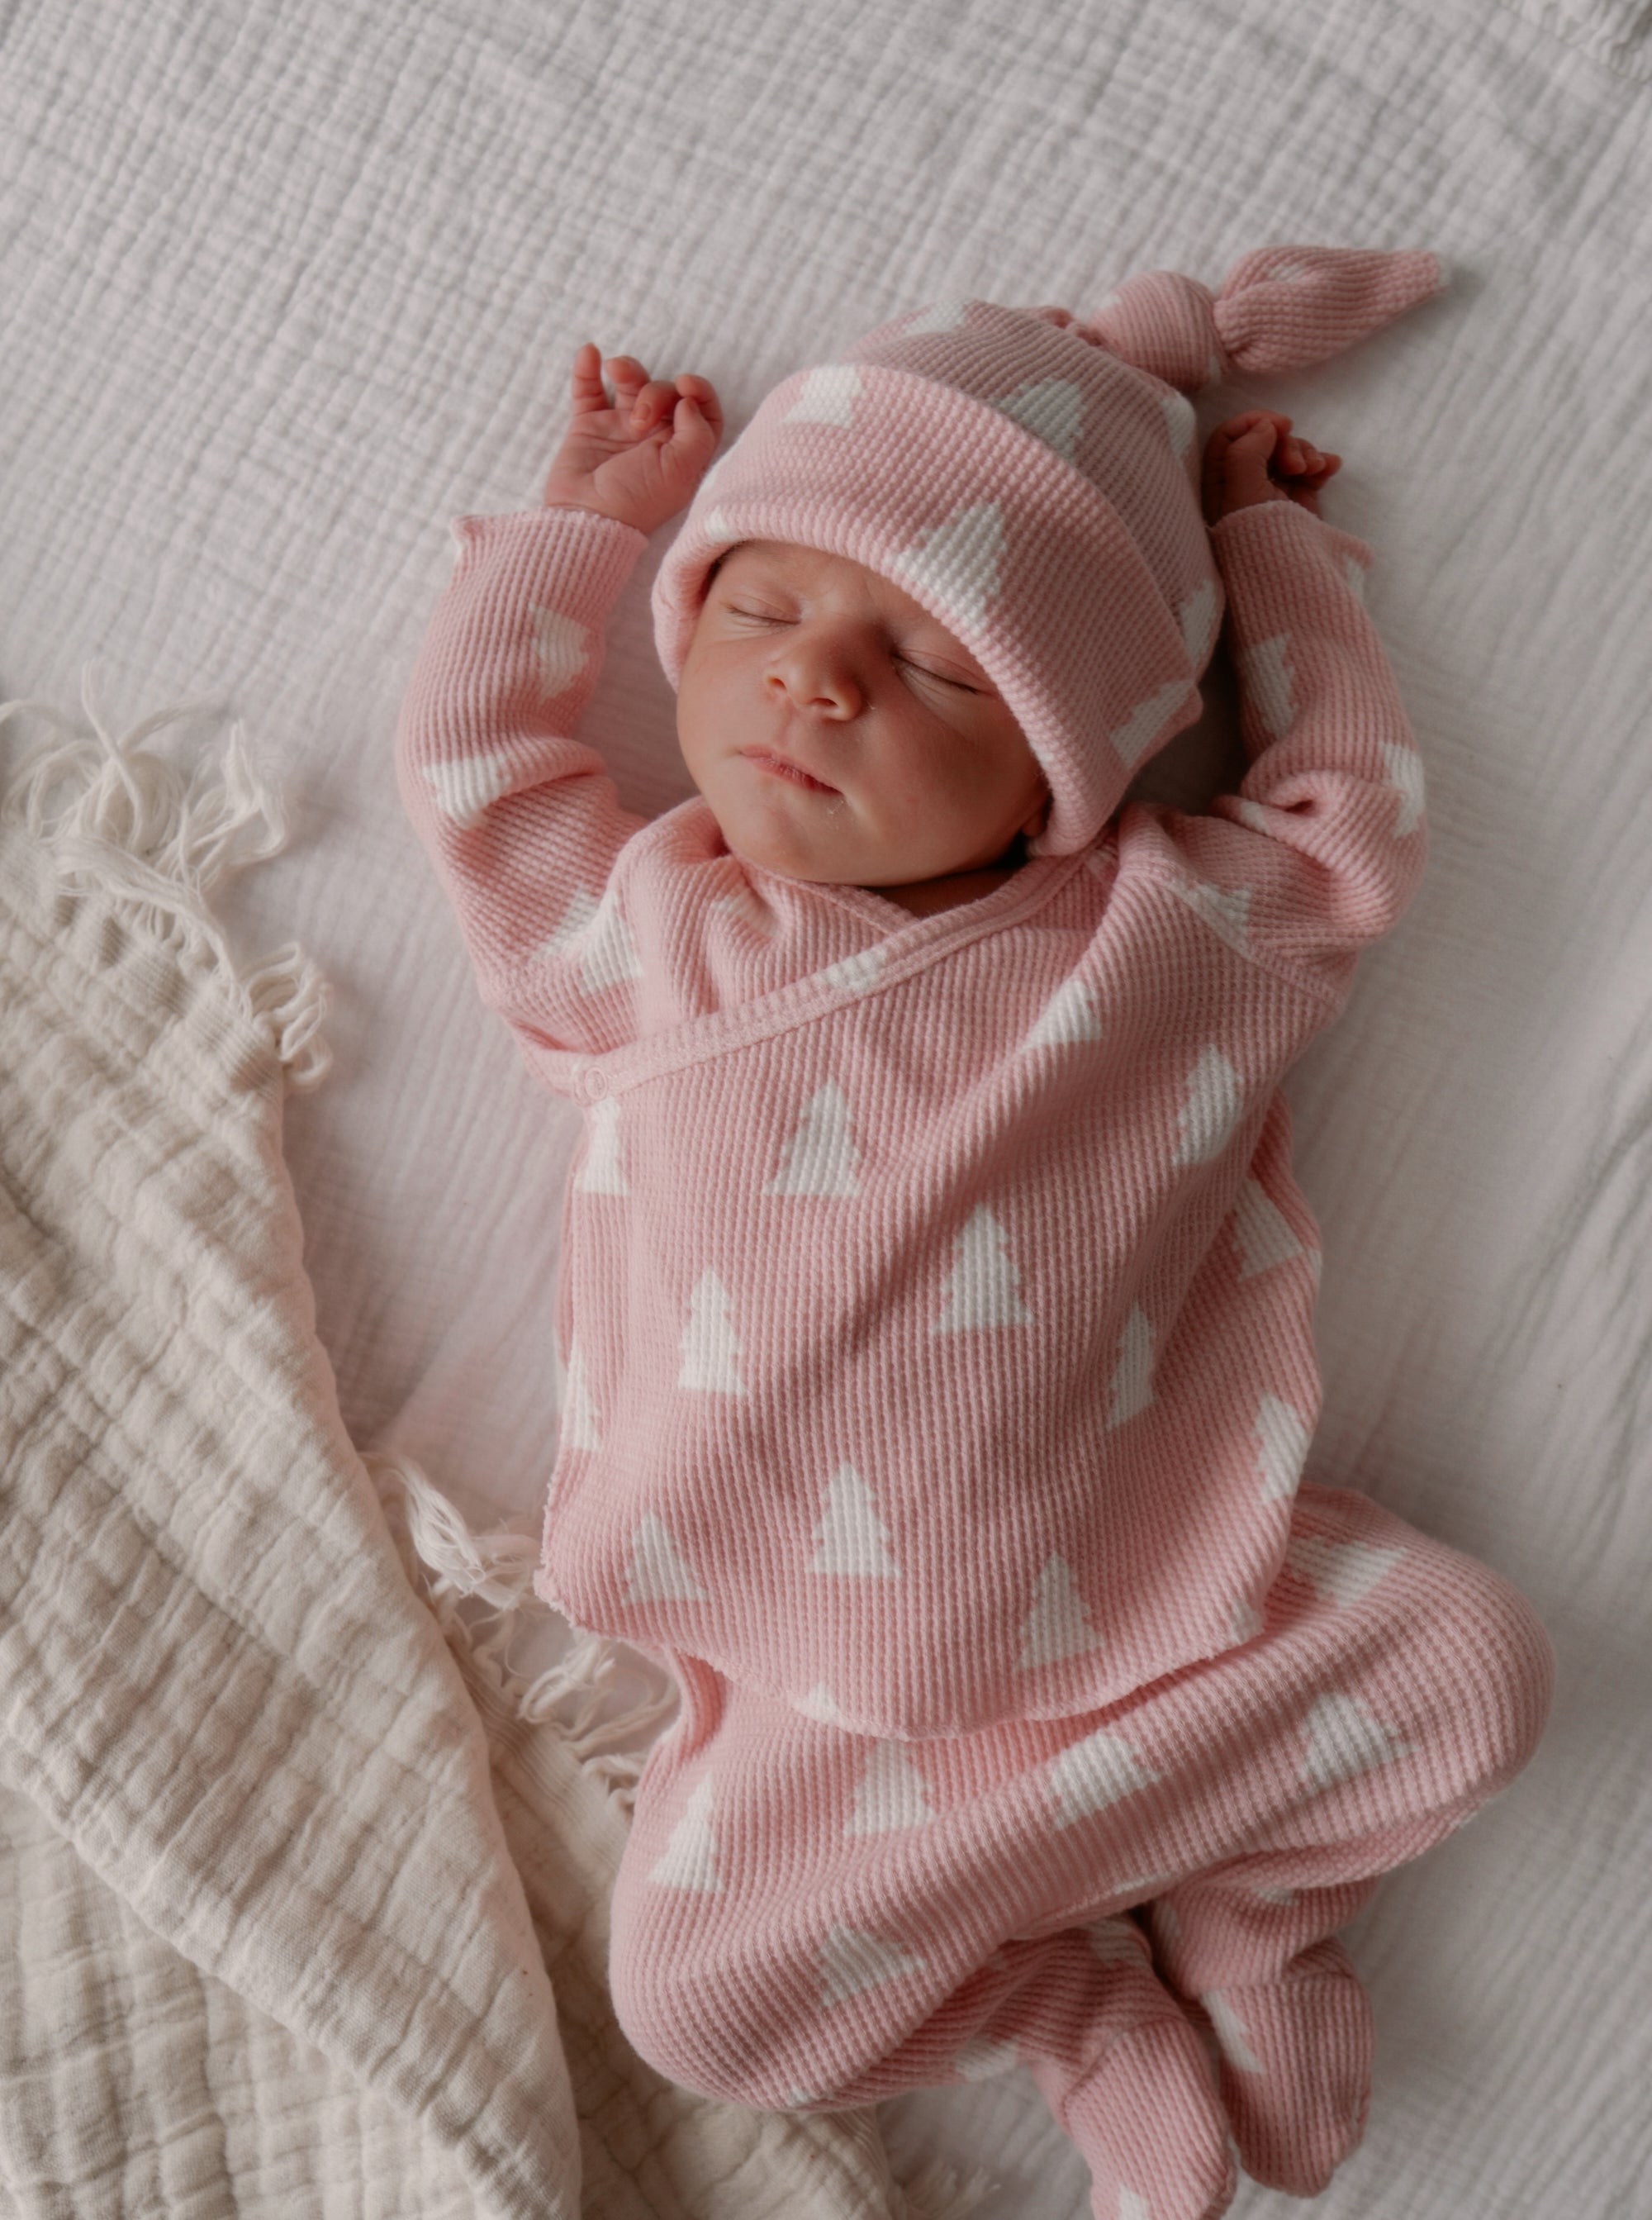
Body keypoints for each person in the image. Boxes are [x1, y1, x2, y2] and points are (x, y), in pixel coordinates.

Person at [395, 245, 1553, 2220]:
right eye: (760, 603)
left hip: (1148, 1613)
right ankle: (1066, 1998)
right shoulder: (649, 942)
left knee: (1468, 1668)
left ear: (1063, 775)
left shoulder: (1168, 937)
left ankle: (1251, 1911)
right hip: (807, 1676)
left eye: (936, 665)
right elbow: (478, 771)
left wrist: (1271, 550)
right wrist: (587, 524)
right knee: (699, 2010)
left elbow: (1348, 816)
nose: (817, 675)